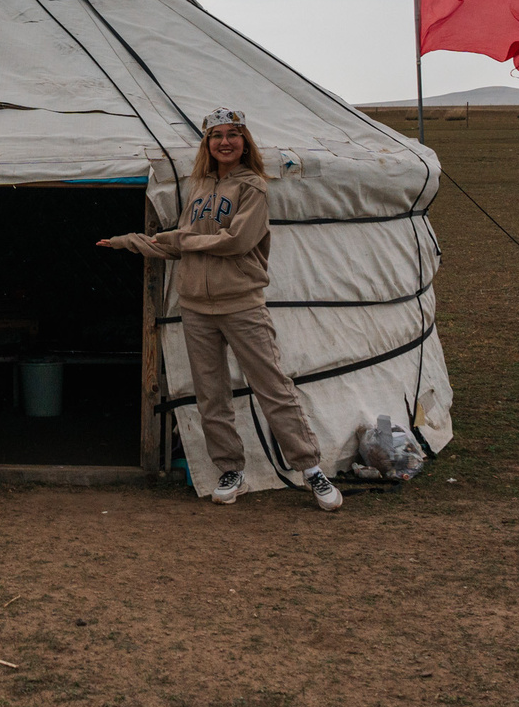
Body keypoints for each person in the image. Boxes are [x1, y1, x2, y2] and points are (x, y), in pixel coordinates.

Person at [98, 107, 343, 510]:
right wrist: (128, 241)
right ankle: (231, 469)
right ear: (206, 144)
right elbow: (174, 243)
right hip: (195, 306)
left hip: (241, 304)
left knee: (273, 388)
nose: (225, 142)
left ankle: (311, 469)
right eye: (216, 136)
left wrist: (187, 239)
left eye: (233, 134)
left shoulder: (254, 188)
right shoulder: (199, 188)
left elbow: (236, 241)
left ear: (245, 142)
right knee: (211, 395)